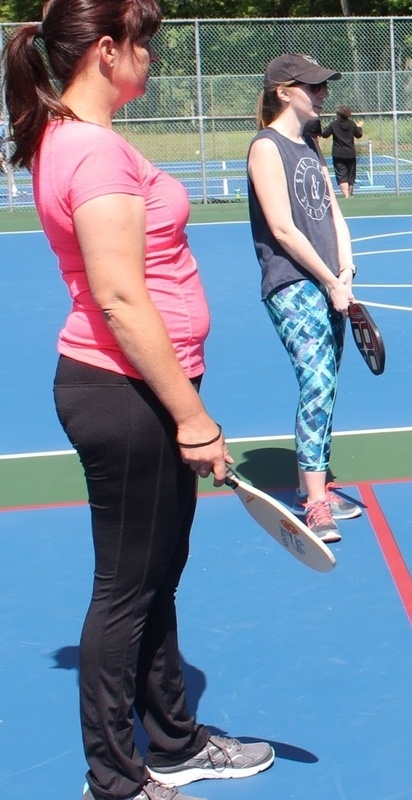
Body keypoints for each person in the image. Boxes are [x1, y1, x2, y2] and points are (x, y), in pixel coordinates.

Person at [1, 2, 276, 799]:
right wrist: (193, 418)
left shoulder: (70, 140)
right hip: (126, 394)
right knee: (126, 590)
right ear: (106, 51)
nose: (151, 60)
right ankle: (116, 781)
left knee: (153, 574)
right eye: (144, 47)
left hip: (134, 388)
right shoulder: (92, 152)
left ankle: (174, 739)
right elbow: (121, 299)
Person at [248, 53, 362, 544]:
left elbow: (333, 214)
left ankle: (314, 484)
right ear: (284, 92)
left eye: (322, 87)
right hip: (291, 282)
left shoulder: (310, 149)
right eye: (313, 87)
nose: (322, 94)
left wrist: (347, 269)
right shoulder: (266, 148)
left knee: (328, 382)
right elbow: (281, 227)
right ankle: (314, 501)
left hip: (327, 282)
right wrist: (328, 280)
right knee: (317, 381)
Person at [320, 105, 363, 198]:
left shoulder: (334, 124)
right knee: (351, 174)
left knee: (341, 174)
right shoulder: (352, 124)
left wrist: (323, 128)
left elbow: (324, 134)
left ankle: (346, 196)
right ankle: (350, 193)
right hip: (350, 153)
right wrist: (359, 127)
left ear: (338, 115)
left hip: (338, 153)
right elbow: (358, 135)